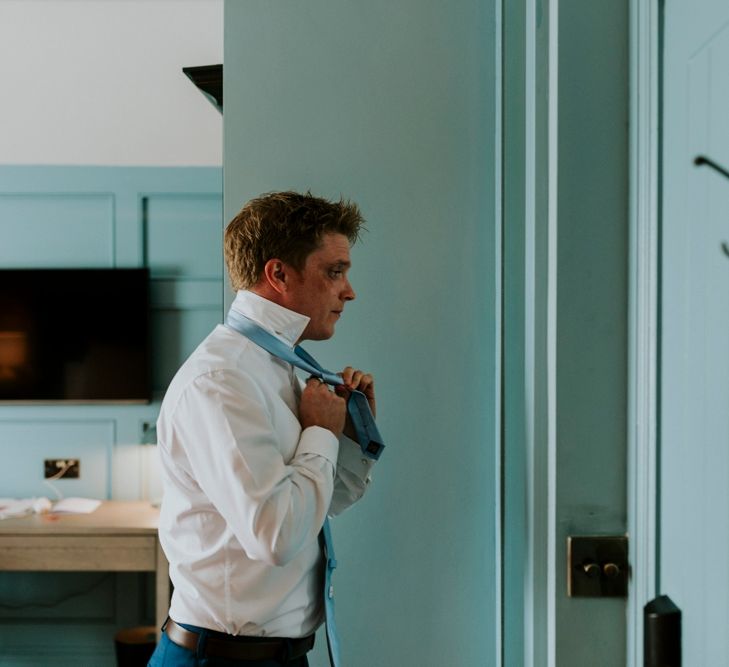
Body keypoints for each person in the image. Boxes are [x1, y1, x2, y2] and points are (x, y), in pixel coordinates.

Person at [148, 191, 378, 667]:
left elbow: (313, 508)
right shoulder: (223, 382)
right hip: (222, 659)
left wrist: (346, 440)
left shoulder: (278, 370)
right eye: (334, 271)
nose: (349, 290)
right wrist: (318, 434)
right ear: (278, 274)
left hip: (277, 657)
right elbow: (276, 537)